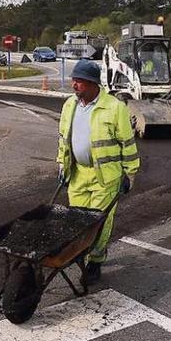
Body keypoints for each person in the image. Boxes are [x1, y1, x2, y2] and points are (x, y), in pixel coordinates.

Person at [57, 60, 140, 285]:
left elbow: (127, 143)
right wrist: (62, 165)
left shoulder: (114, 108)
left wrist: (130, 174)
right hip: (78, 174)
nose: (75, 85)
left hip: (106, 176)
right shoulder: (69, 105)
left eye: (80, 81)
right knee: (76, 218)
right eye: (74, 80)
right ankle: (81, 254)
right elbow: (63, 139)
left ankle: (95, 260)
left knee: (98, 222)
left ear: (93, 83)